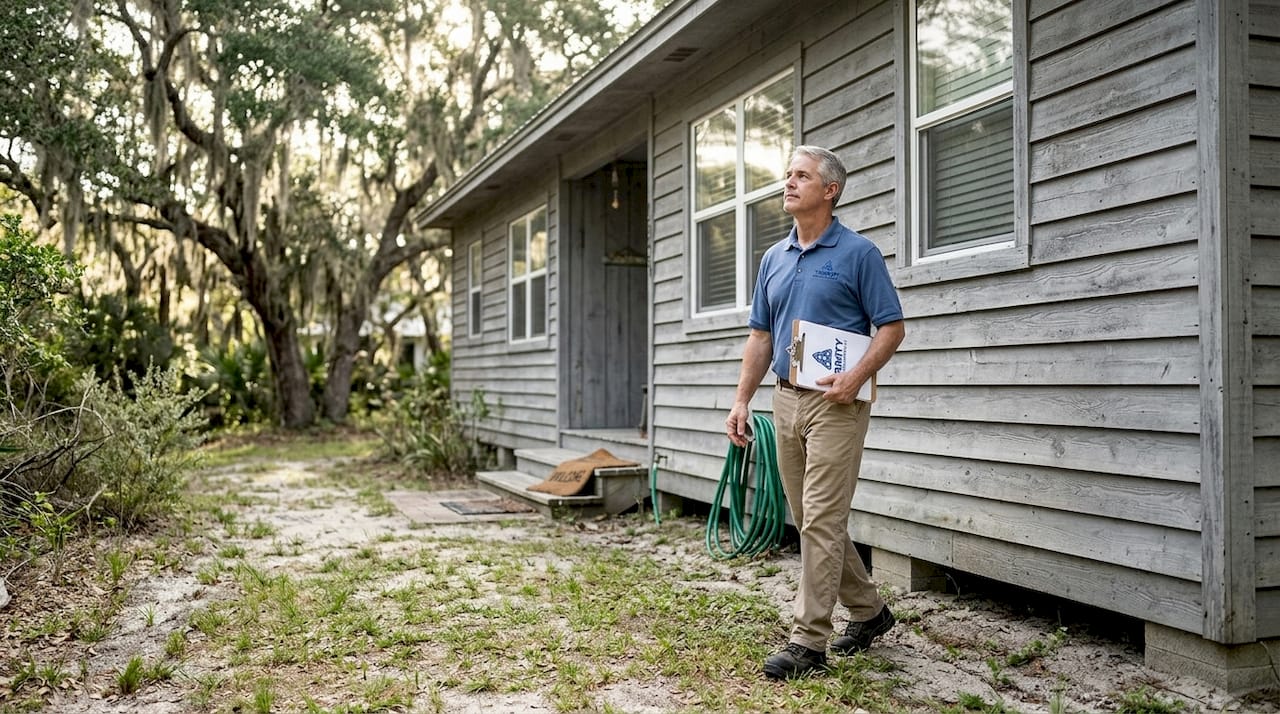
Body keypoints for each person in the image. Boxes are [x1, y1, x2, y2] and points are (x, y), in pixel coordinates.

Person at [725, 145, 906, 679]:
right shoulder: (773, 258)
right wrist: (741, 399)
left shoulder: (858, 254)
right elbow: (760, 335)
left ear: (830, 190)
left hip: (837, 404)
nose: (788, 183)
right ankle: (870, 613)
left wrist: (856, 377)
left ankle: (808, 642)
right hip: (784, 398)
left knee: (823, 519)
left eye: (801, 176)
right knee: (808, 519)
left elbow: (891, 327)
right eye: (787, 175)